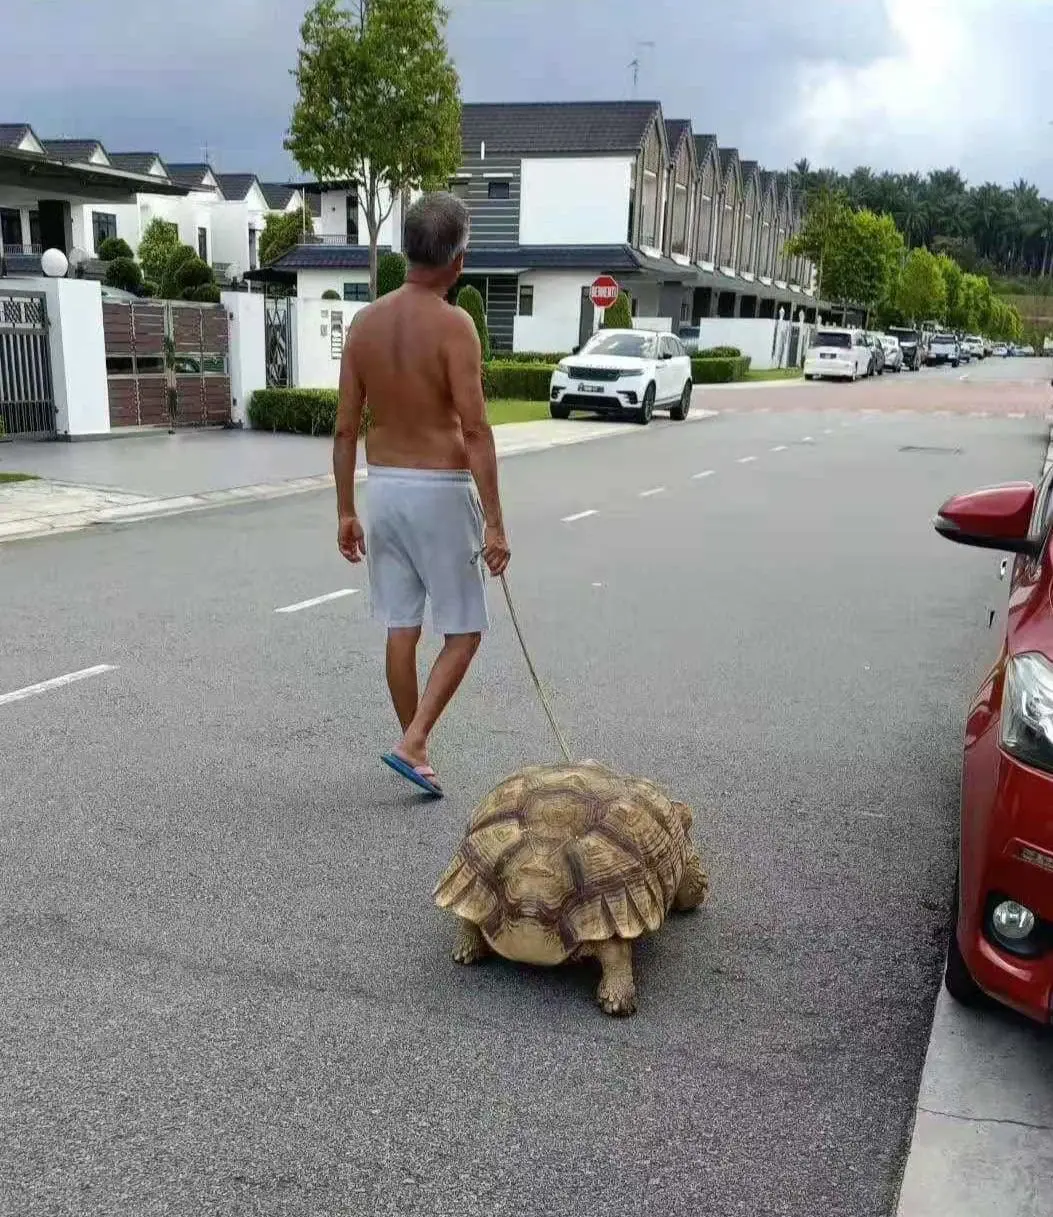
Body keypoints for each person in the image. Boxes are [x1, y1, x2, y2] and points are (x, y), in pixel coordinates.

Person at [333, 191, 510, 799]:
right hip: (440, 489)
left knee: (401, 625)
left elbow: (344, 428)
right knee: (463, 630)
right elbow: (477, 429)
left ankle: (416, 748)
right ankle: (414, 741)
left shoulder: (363, 323)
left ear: (408, 251)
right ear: (458, 261)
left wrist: (346, 510)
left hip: (383, 489)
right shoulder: (456, 325)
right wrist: (495, 524)